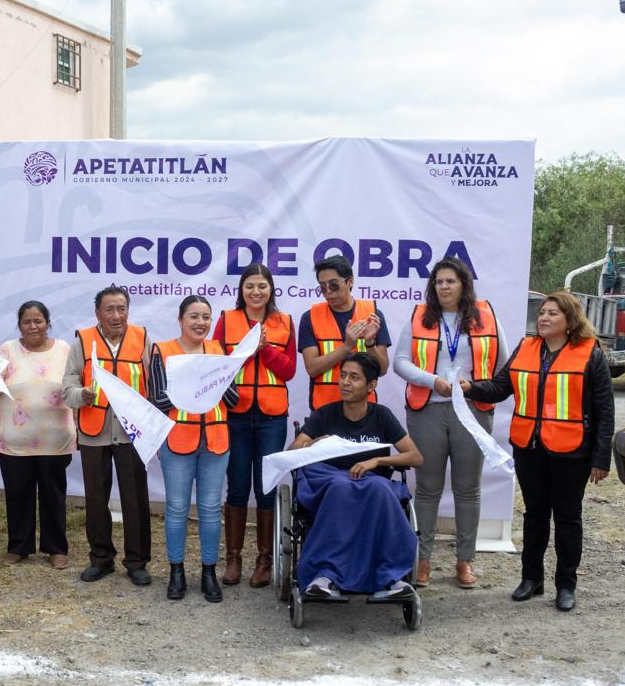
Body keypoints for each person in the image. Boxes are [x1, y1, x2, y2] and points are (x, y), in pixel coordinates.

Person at [463, 291, 614, 612]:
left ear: (570, 321)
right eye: (542, 312)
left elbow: (605, 410)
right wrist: (470, 387)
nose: (543, 318)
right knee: (534, 516)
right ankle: (531, 579)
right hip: (529, 448)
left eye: (552, 313)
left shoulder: (590, 354)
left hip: (572, 451)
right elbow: (500, 387)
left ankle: (566, 585)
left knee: (568, 518)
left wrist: (601, 458)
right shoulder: (526, 348)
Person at [394, 257, 507, 589]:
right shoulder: (419, 316)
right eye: (439, 282)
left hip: (472, 411)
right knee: (427, 489)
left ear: (464, 285)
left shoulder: (486, 316)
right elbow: (400, 362)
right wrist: (432, 381)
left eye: (450, 281)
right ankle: (423, 559)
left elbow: (502, 365)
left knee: (468, 489)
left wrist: (475, 387)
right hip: (428, 409)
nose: (443, 287)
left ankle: (465, 561)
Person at [290, 353, 424, 599]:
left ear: (371, 386)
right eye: (342, 376)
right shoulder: (325, 414)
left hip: (371, 481)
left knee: (380, 489)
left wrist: (377, 460)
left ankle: (390, 577)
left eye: (354, 377)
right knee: (342, 486)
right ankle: (325, 575)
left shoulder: (381, 416)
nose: (345, 382)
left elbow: (415, 457)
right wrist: (315, 443)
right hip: (328, 480)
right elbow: (292, 453)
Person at [149, 296, 239, 602]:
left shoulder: (219, 351)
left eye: (206, 317)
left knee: (211, 509)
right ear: (180, 319)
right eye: (194, 317)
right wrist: (197, 385)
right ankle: (176, 572)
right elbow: (159, 399)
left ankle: (209, 572)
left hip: (216, 439)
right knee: (176, 509)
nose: (200, 323)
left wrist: (216, 379)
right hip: (178, 440)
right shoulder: (163, 350)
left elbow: (233, 399)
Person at [62, 286, 153, 586]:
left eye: (122, 308)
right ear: (97, 312)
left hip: (132, 433)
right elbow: (68, 384)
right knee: (96, 499)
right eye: (110, 309)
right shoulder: (83, 340)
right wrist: (81, 395)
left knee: (135, 498)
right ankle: (101, 559)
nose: (117, 315)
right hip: (94, 432)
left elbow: (155, 383)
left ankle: (137, 561)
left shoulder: (142, 338)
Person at [213, 263, 297, 588]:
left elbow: (289, 370)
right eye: (250, 286)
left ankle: (265, 559)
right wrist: (249, 348)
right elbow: (217, 365)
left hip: (272, 417)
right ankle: (233, 557)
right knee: (236, 486)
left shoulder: (284, 322)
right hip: (236, 413)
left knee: (266, 487)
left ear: (271, 289)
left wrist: (267, 351)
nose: (256, 292)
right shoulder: (226, 320)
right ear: (241, 290)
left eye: (262, 286)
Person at [0, 301, 75, 568]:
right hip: (15, 441)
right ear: (19, 325)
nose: (33, 326)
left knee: (54, 495)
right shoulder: (6, 350)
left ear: (47, 323)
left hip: (55, 439)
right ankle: (19, 546)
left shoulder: (64, 350)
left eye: (38, 320)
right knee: (18, 493)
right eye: (27, 321)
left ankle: (56, 548)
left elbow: (74, 384)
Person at [299, 255, 391, 411]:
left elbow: (382, 370)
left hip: (364, 410)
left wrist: (370, 343)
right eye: (322, 287)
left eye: (333, 285)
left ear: (350, 281)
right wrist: (347, 346)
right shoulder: (310, 317)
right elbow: (312, 368)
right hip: (324, 409)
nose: (328, 292)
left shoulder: (373, 315)